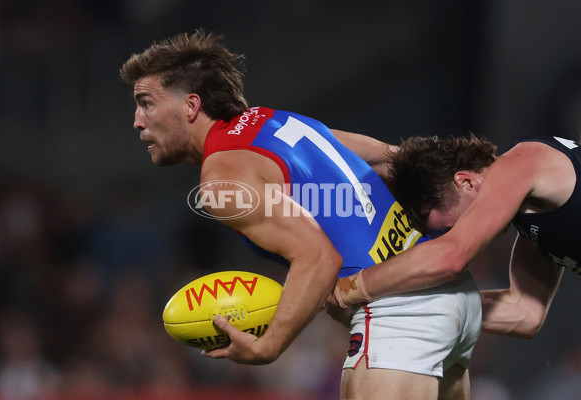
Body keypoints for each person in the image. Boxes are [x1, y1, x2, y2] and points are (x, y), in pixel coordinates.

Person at [119, 30, 481, 399]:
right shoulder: (271, 120)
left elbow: (318, 256)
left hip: (397, 312)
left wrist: (268, 345)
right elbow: (390, 158)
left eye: (145, 103)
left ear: (191, 106)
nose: (137, 120)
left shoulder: (222, 180)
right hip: (449, 296)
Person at [331, 133, 579, 339]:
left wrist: (345, 290)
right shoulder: (532, 223)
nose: (470, 235)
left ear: (467, 182)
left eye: (453, 228)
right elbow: (524, 314)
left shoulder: (523, 160)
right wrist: (401, 304)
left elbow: (452, 256)